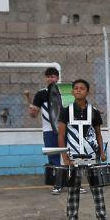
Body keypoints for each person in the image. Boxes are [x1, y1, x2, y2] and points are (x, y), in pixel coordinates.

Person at [57, 78, 110, 220]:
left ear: (87, 91)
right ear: (73, 92)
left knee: (97, 188)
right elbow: (61, 135)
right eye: (76, 88)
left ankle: (102, 218)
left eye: (82, 88)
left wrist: (102, 152)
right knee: (73, 190)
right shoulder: (66, 111)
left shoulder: (93, 112)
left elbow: (98, 134)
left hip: (91, 156)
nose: (78, 90)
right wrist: (64, 157)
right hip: (73, 156)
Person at [30, 66, 65, 194]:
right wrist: (32, 112)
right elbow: (34, 114)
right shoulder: (41, 94)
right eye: (48, 76)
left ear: (57, 78)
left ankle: (73, 182)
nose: (51, 79)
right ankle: (58, 183)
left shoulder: (65, 93)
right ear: (46, 78)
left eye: (53, 76)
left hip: (65, 129)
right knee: (53, 156)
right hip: (49, 130)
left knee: (69, 155)